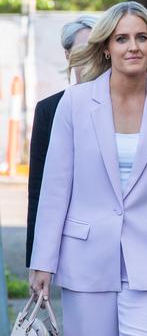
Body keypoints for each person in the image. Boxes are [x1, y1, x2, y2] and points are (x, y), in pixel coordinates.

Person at [29, 1, 147, 336]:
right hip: (85, 261)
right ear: (105, 48)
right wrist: (42, 261)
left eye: (142, 38)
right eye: (122, 39)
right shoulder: (74, 104)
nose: (133, 46)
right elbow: (55, 189)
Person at [26, 15, 96, 269]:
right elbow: (39, 189)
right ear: (67, 55)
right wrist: (37, 261)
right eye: (83, 50)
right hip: (76, 245)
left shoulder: (130, 107)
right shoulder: (49, 110)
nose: (92, 57)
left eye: (98, 48)